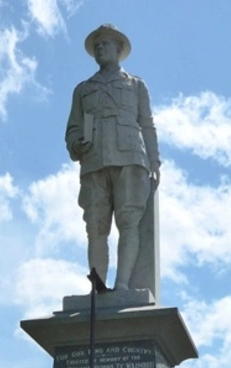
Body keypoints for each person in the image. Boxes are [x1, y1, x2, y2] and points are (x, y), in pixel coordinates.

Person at [65, 24, 161, 291]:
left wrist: (154, 161)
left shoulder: (136, 85)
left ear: (119, 49)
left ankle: (122, 285)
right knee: (95, 227)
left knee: (129, 221)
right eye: (97, 45)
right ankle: (98, 287)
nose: (100, 48)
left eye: (105, 44)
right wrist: (76, 144)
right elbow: (72, 128)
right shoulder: (83, 90)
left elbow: (147, 124)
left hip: (130, 157)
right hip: (94, 162)